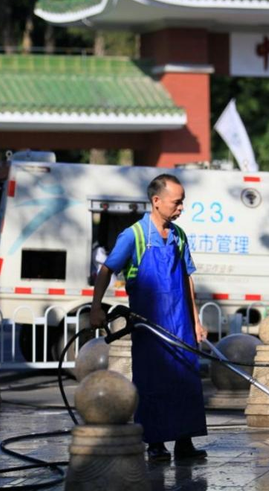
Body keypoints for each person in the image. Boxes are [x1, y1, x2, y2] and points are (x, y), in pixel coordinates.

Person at [90, 174, 208, 462]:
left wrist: (195, 320)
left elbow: (187, 277)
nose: (181, 208)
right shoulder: (134, 235)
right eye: (176, 203)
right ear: (156, 201)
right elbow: (107, 270)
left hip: (180, 323)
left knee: (185, 379)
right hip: (150, 324)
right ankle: (155, 443)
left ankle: (184, 442)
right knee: (153, 381)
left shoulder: (179, 235)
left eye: (182, 203)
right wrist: (96, 307)